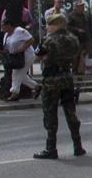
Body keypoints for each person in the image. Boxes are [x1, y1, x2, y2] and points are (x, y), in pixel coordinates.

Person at [33, 14, 84, 158]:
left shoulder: (48, 40)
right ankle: (78, 145)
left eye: (49, 24)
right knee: (70, 112)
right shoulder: (73, 39)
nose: (47, 27)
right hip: (67, 77)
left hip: (51, 79)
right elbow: (76, 53)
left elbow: (38, 54)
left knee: (50, 113)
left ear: (56, 25)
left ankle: (51, 148)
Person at [0, 19, 39, 101]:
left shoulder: (20, 31)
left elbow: (31, 40)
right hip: (15, 57)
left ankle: (14, 93)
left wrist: (22, 49)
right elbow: (6, 48)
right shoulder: (6, 35)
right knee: (22, 75)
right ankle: (36, 87)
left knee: (16, 74)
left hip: (26, 56)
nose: (2, 28)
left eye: (3, 26)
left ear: (9, 25)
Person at [66, 0, 92, 74]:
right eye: (81, 6)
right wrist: (77, 30)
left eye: (83, 6)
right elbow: (68, 27)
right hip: (76, 38)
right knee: (76, 55)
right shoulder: (71, 15)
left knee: (87, 53)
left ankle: (82, 69)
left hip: (86, 38)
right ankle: (75, 70)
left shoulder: (86, 15)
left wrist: (91, 35)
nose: (83, 7)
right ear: (77, 7)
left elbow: (90, 25)